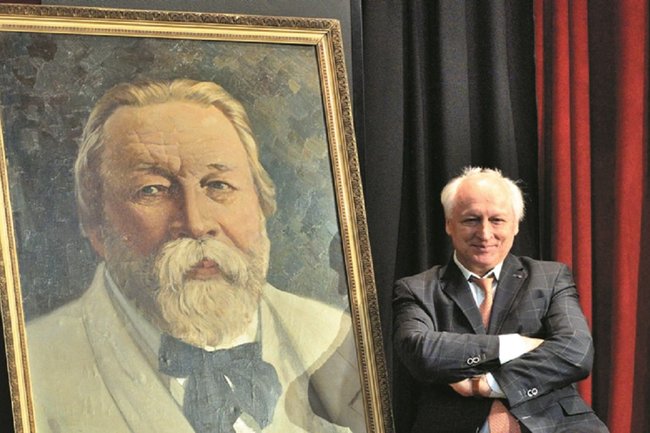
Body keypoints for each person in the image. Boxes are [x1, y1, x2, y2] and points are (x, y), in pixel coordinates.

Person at [26, 79, 364, 433]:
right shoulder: (34, 370)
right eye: (152, 190)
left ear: (261, 203)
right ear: (96, 224)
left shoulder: (339, 340)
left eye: (218, 185)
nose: (196, 223)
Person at [392, 167, 609, 433]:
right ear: (449, 224)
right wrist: (513, 345)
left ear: (515, 225)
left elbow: (576, 352)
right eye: (471, 220)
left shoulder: (550, 278)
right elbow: (420, 351)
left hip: (556, 425)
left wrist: (486, 384)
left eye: (497, 220)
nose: (485, 234)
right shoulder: (417, 289)